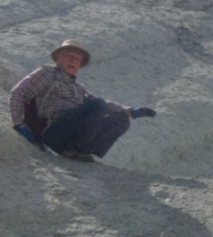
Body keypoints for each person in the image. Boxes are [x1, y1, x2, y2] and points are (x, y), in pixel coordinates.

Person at [10, 41, 157, 161]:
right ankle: (74, 149)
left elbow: (102, 104)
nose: (73, 61)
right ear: (59, 58)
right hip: (53, 131)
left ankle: (83, 151)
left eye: (77, 59)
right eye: (70, 56)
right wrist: (19, 124)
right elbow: (18, 93)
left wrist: (130, 111)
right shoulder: (48, 73)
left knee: (122, 120)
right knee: (98, 104)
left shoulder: (78, 88)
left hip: (70, 135)